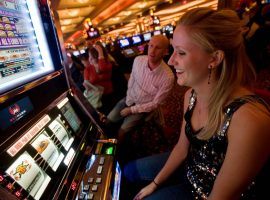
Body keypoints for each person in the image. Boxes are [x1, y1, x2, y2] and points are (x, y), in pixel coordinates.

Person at [124, 7, 270, 200]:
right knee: (127, 172)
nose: (171, 60)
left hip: (207, 193)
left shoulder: (248, 121)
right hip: (190, 169)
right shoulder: (190, 96)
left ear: (214, 58)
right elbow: (182, 149)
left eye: (181, 53)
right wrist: (155, 183)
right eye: (173, 50)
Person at [106, 35, 175, 144]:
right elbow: (132, 80)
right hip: (129, 99)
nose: (152, 50)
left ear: (165, 52)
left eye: (158, 48)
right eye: (151, 46)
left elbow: (155, 104)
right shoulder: (138, 60)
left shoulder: (168, 77)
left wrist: (131, 110)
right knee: (107, 121)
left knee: (121, 133)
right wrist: (128, 99)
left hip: (143, 107)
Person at [83, 42, 113, 110]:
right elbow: (87, 85)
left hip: (109, 95)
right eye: (89, 57)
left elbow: (102, 68)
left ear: (98, 57)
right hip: (97, 98)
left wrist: (100, 52)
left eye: (92, 57)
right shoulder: (87, 69)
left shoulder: (107, 64)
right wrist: (86, 86)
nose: (89, 59)